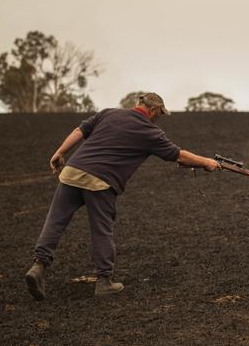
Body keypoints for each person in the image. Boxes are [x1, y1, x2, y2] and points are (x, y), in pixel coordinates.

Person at [25, 92, 220, 300]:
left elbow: (79, 130)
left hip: (72, 172)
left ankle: (38, 266)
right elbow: (178, 155)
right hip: (101, 182)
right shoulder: (149, 131)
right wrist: (207, 162)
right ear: (153, 111)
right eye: (159, 114)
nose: (158, 118)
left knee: (55, 221)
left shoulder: (108, 113)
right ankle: (104, 282)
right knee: (102, 230)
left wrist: (60, 152)